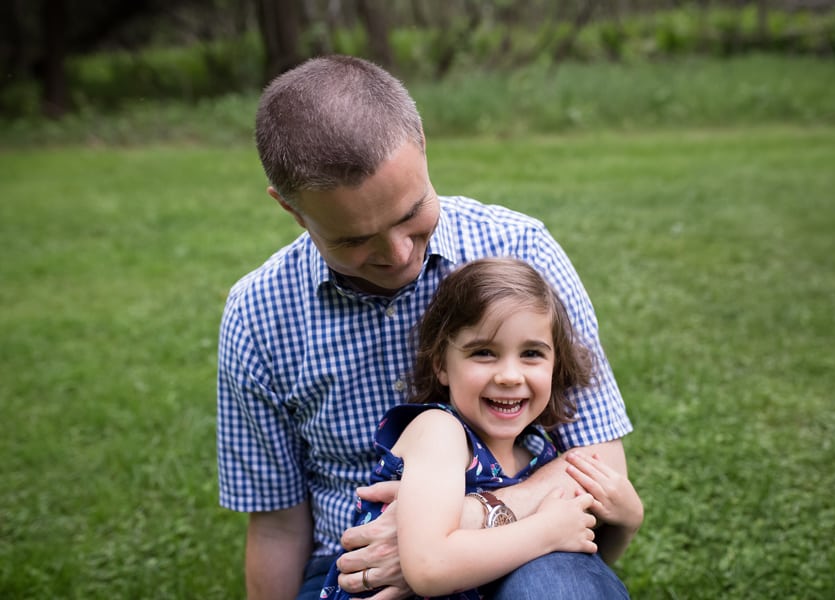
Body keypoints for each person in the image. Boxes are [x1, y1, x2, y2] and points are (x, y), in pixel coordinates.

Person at [217, 54, 637, 600]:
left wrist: (451, 526)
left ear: (421, 143)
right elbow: (276, 524)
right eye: (353, 240)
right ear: (293, 210)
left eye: (411, 213)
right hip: (356, 564)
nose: (396, 255)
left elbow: (597, 466)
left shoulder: (521, 249)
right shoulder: (256, 314)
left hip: (529, 545)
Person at [319, 258, 642, 599]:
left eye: (531, 353)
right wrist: (546, 531)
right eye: (484, 352)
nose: (509, 376)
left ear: (555, 365)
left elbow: (584, 564)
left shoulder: (537, 452)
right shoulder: (439, 433)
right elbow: (429, 568)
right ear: (442, 365)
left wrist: (628, 520)